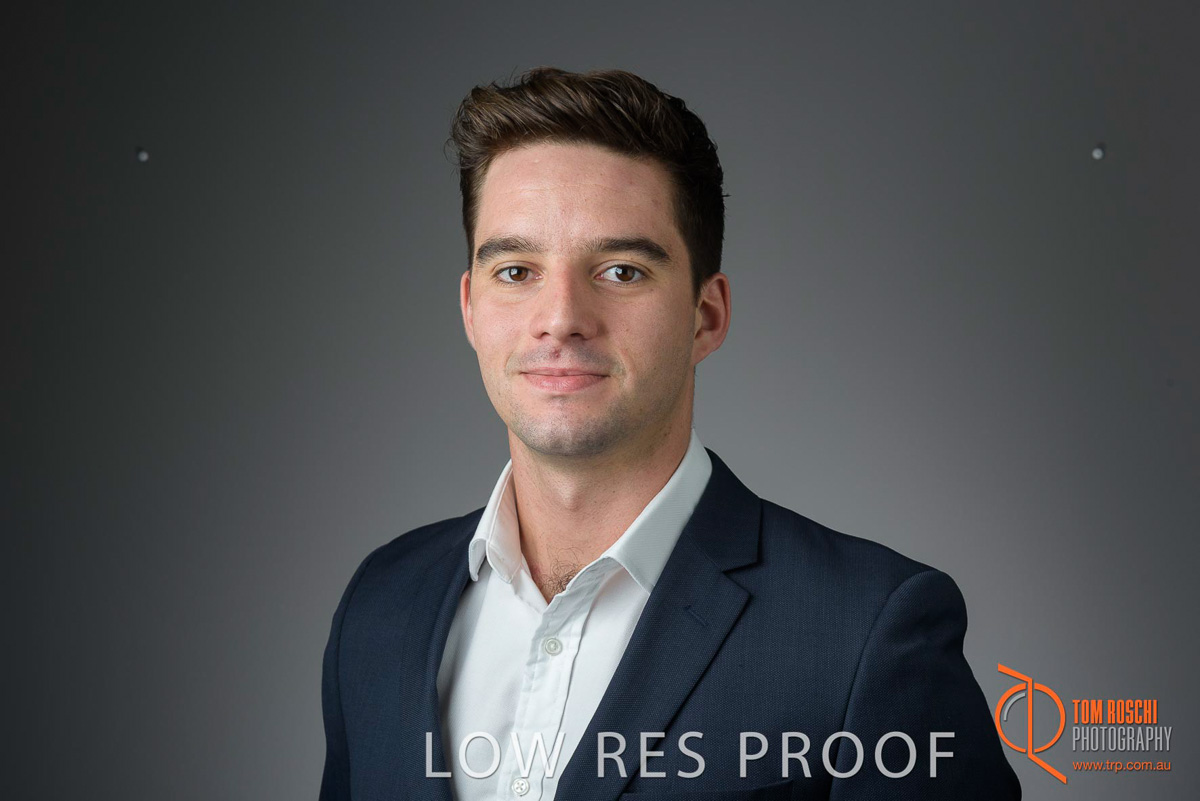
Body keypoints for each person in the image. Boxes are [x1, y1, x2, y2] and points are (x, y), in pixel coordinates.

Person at [319, 67, 1021, 801]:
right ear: (470, 308)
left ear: (705, 317)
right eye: (517, 270)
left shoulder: (868, 633)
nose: (560, 318)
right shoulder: (381, 606)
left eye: (621, 271)